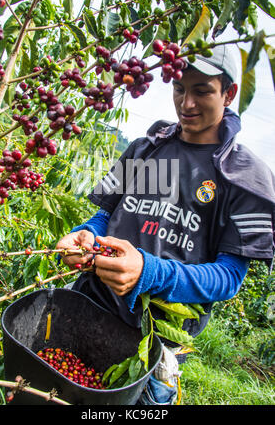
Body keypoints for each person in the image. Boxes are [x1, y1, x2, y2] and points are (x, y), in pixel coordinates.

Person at [56, 44, 275, 405]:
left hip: (154, 341)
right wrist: (87, 235)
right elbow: (105, 215)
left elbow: (229, 278)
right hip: (88, 306)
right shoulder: (145, 149)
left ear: (229, 93)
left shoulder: (245, 178)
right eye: (179, 89)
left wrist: (148, 272)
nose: (186, 103)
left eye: (202, 90)